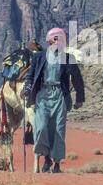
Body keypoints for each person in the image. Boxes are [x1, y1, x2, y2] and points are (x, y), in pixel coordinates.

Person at [22, 28, 85, 173]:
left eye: (60, 39)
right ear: (49, 40)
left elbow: (77, 79)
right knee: (42, 127)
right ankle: (46, 157)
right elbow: (30, 75)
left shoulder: (69, 58)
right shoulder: (39, 56)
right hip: (42, 94)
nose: (58, 42)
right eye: (55, 39)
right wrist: (27, 88)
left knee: (58, 129)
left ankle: (56, 163)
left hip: (60, 95)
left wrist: (79, 98)